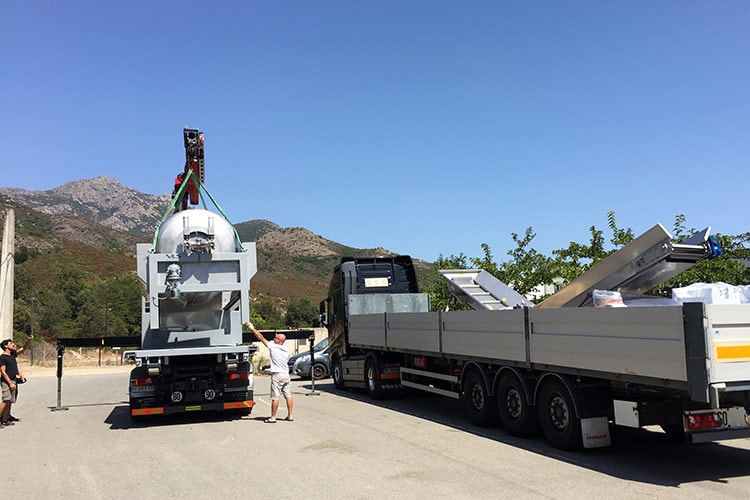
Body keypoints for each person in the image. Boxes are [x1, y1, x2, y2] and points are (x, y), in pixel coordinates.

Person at [246, 323, 293, 423]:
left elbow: (261, 337)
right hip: (286, 374)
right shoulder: (286, 350)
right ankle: (290, 415)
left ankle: (273, 417)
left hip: (277, 375)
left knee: (275, 396)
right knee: (288, 395)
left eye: (276, 338)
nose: (274, 339)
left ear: (279, 341)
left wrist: (252, 328)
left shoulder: (273, 347)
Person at [0, 336, 32, 426]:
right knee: (6, 400)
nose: (14, 344)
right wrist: (9, 383)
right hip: (6, 381)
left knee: (10, 401)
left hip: (14, 380)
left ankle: (5, 419)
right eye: (11, 343)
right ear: (6, 346)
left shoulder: (12, 355)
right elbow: (2, 372)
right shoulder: (3, 358)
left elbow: (24, 348)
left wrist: (28, 341)